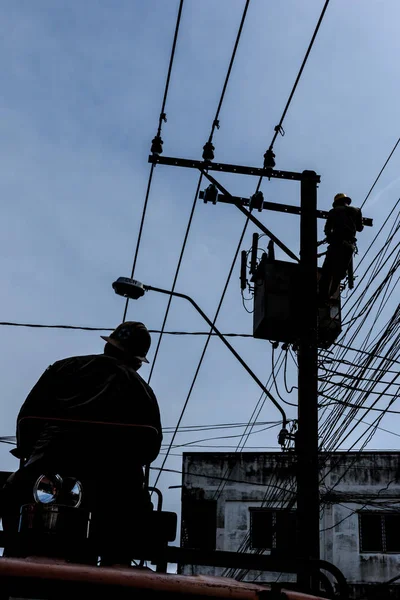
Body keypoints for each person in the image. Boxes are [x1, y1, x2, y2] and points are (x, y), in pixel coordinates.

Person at [1, 321, 162, 561]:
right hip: (114, 478)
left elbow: (28, 417)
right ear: (138, 361)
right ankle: (118, 566)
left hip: (48, 463)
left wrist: (30, 450)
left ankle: (14, 552)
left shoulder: (63, 367)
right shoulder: (142, 389)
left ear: (109, 346)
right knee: (135, 520)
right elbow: (150, 447)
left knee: (12, 494)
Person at [319, 193, 364, 303]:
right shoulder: (357, 211)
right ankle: (329, 296)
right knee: (338, 275)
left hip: (336, 245)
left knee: (327, 272)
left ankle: (322, 298)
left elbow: (327, 229)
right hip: (349, 247)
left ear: (336, 203)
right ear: (347, 201)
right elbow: (360, 228)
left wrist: (330, 238)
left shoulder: (333, 211)